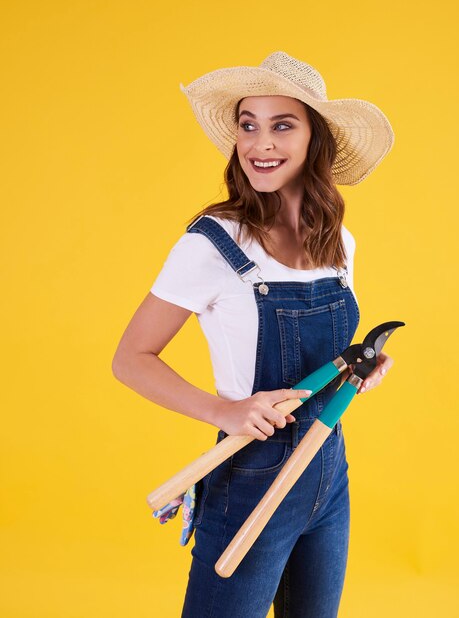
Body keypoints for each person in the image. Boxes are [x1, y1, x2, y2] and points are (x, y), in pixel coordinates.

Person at [112, 51, 395, 618]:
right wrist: (224, 411)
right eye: (249, 125)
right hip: (249, 478)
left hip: (326, 473)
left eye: (282, 125)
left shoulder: (339, 243)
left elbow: (334, 354)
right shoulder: (214, 244)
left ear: (315, 140)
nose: (259, 144)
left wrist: (359, 369)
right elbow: (131, 358)